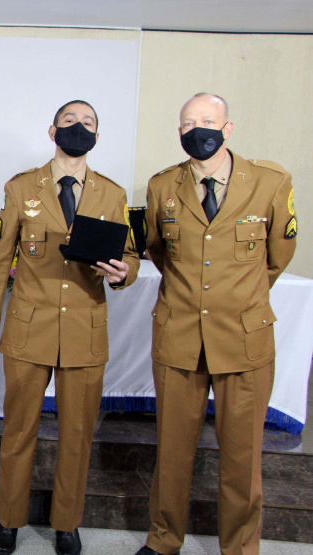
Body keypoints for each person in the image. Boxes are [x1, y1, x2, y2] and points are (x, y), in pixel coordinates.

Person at [135, 93, 296, 555]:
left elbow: (277, 255)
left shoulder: (269, 181)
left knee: (243, 457)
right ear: (178, 132)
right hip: (179, 335)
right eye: (188, 123)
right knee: (172, 450)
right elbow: (159, 252)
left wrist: (234, 295)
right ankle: (163, 540)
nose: (197, 130)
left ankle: (240, 548)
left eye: (207, 120)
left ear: (227, 129)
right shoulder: (162, 185)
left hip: (243, 337)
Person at [0, 100, 139, 555]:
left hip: (85, 328)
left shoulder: (112, 194)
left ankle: (67, 522)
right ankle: (9, 519)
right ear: (52, 132)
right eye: (69, 121)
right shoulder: (21, 187)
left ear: (97, 137)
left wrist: (123, 272)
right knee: (18, 430)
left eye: (87, 123)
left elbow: (129, 256)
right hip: (30, 328)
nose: (78, 128)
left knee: (78, 435)